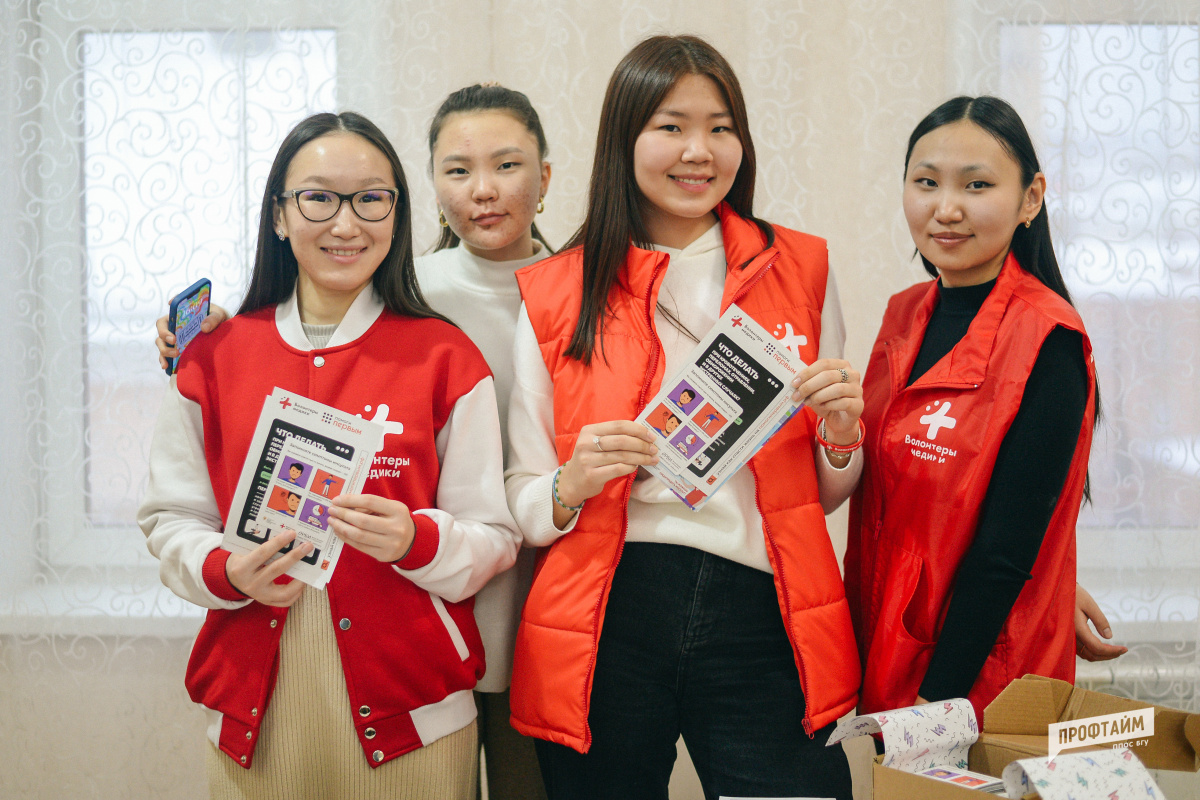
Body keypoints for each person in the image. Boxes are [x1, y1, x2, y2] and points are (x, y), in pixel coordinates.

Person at [152, 84, 555, 800]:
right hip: (252, 713)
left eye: (371, 199)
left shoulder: (444, 356)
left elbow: (494, 536)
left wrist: (414, 540)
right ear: (279, 215)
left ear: (398, 214)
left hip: (416, 718)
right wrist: (225, 569)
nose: (345, 223)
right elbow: (170, 518)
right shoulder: (213, 356)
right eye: (317, 199)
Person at [504, 35, 863, 800]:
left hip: (762, 600)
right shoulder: (557, 289)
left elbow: (823, 494)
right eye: (671, 126)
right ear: (624, 139)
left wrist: (840, 438)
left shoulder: (801, 268)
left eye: (720, 127)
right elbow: (524, 502)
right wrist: (572, 482)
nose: (699, 150)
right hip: (606, 608)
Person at [845, 95, 1109, 722]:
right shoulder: (905, 313)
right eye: (926, 182)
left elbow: (1004, 551)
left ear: (1030, 198)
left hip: (976, 678)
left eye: (977, 185)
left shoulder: (1048, 338)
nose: (946, 208)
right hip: (888, 641)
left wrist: (937, 700)